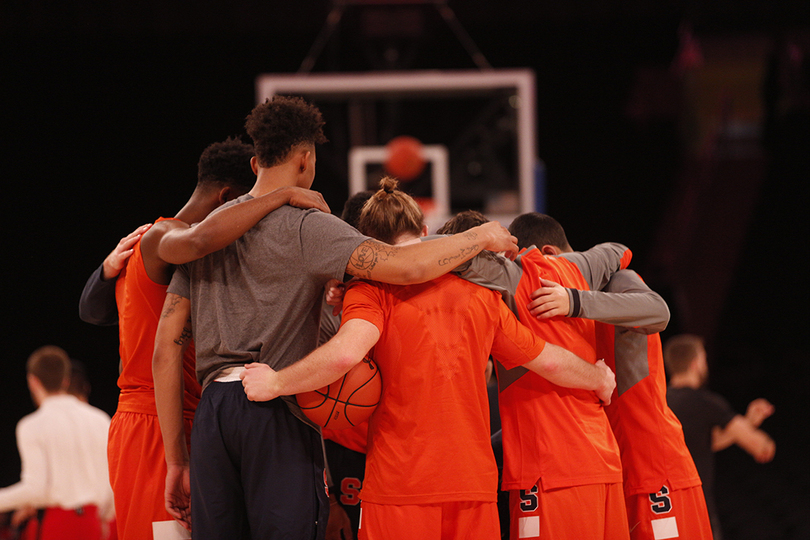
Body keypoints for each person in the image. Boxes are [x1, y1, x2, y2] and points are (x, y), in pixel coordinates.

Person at [152, 96, 522, 540]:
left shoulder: (209, 231)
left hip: (214, 412)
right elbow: (407, 266)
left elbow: (165, 349)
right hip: (277, 403)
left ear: (254, 163)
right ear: (306, 160)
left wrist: (177, 459)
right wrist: (480, 235)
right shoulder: (309, 224)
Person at [239, 177, 616, 540]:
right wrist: (598, 378)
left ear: (367, 243)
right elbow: (547, 360)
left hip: (400, 485)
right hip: (473, 485)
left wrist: (276, 382)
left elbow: (348, 351)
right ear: (424, 232)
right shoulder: (480, 294)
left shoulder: (371, 289)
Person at [78, 136, 331, 540]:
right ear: (228, 197)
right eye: (241, 205)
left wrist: (105, 270)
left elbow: (92, 310)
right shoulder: (167, 239)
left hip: (166, 417)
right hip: (159, 423)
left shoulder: (155, 250)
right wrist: (280, 195)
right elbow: (201, 239)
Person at [524, 227, 712, 539]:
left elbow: (658, 310)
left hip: (653, 470)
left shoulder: (614, 280)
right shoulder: (545, 311)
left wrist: (574, 300)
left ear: (550, 256)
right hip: (608, 475)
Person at [664, 334, 775, 540]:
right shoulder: (706, 403)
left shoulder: (660, 403)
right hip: (698, 509)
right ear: (696, 363)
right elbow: (761, 447)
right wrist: (754, 433)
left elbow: (706, 442)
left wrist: (748, 422)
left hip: (666, 507)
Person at [0, 346, 114, 540]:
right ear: (66, 380)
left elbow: (36, 488)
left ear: (33, 381)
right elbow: (112, 479)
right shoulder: (100, 419)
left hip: (58, 525)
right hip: (93, 524)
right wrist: (104, 519)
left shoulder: (32, 425)